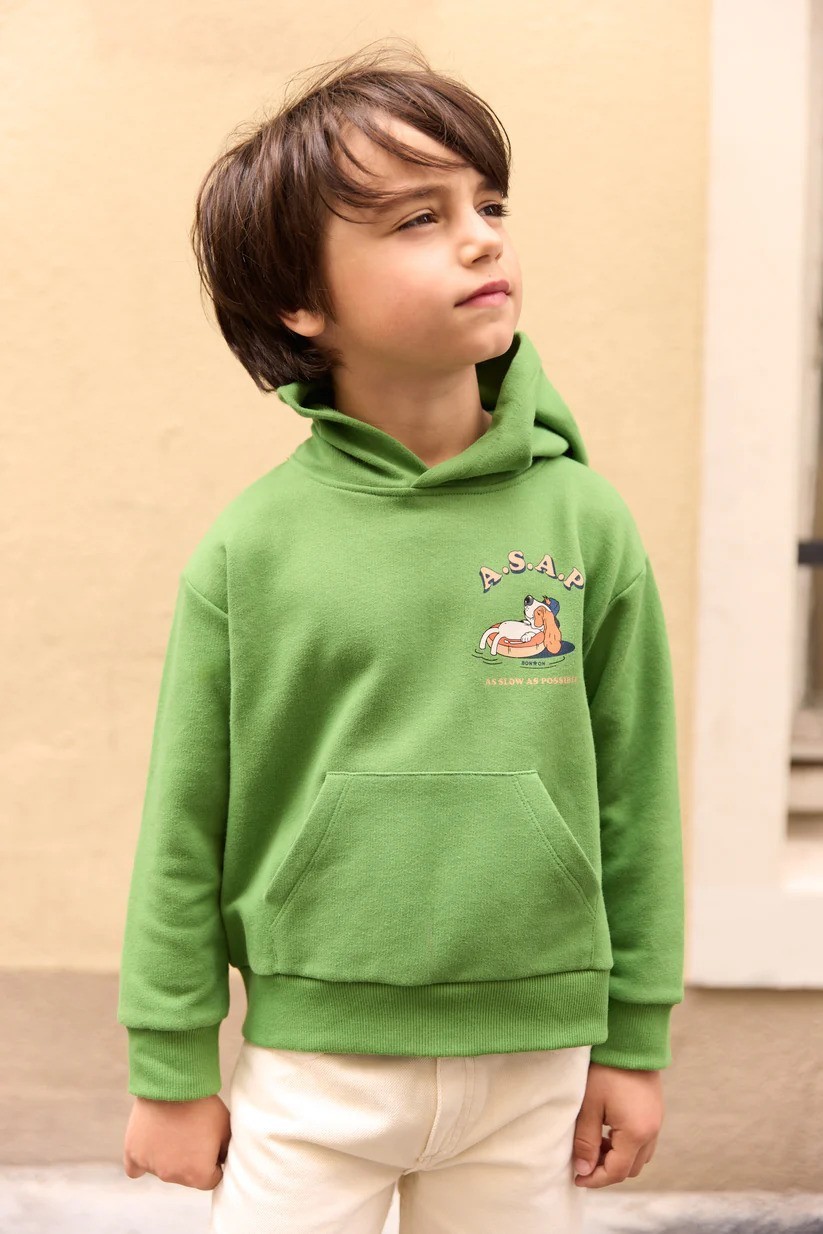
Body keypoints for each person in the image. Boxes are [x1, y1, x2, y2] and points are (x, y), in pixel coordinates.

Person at [117, 37, 685, 1234]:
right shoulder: (251, 551)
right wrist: (170, 1064)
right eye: (419, 218)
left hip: (533, 1065)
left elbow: (635, 798)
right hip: (313, 1070)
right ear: (301, 300)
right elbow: (184, 821)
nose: (480, 238)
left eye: (490, 205)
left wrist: (633, 1039)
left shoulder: (584, 523)